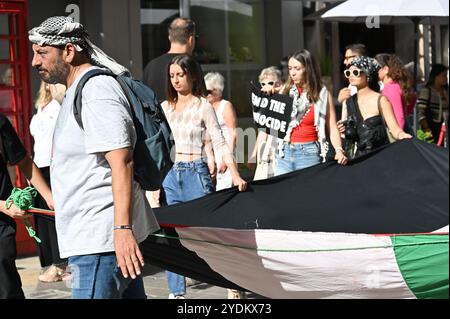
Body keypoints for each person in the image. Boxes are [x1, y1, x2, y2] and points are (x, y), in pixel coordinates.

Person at [29, 16, 159, 299]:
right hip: (98, 239)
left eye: (42, 53)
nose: (34, 62)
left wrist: (122, 230)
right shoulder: (77, 91)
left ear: (69, 51)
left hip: (100, 242)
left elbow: (121, 160)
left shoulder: (96, 90)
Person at [161, 54, 247, 299]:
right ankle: (176, 293)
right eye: (172, 76)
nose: (176, 80)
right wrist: (154, 183)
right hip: (170, 176)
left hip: (196, 174)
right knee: (172, 238)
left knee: (210, 237)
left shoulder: (203, 105)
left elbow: (220, 143)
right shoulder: (165, 107)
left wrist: (235, 174)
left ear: (192, 76)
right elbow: (157, 147)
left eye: (181, 75)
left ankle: (233, 282)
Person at [143, 17, 196, 208]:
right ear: (191, 39)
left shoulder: (151, 67)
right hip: (189, 150)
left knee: (164, 212)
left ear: (169, 37)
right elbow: (201, 106)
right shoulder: (190, 66)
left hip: (158, 146)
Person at [0, 113, 54, 299]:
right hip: (3, 209)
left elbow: (23, 161)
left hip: (1, 226)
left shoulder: (0, 122)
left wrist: (49, 197)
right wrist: (3, 206)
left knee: (8, 287)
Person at [270, 49, 347, 176]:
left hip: (309, 152)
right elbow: (271, 95)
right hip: (284, 151)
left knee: (306, 194)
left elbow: (332, 126)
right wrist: (268, 90)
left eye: (297, 68)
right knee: (283, 194)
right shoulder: (285, 90)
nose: (292, 73)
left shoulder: (322, 94)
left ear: (308, 69)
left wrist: (339, 150)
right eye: (290, 68)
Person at [30, 81, 69, 282]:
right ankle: (51, 263)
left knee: (55, 217)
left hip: (55, 166)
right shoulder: (40, 107)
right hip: (38, 166)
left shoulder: (60, 104)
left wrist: (60, 93)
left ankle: (62, 264)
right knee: (42, 220)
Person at [338, 56, 413, 158]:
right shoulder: (350, 101)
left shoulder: (381, 100)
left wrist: (402, 135)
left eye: (356, 72)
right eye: (348, 73)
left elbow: (395, 129)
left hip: (380, 156)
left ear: (368, 75)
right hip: (359, 157)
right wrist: (345, 128)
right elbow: (355, 135)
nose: (351, 76)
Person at [248, 66, 283, 180]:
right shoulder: (264, 103)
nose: (266, 87)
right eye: (263, 84)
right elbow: (263, 132)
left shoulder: (284, 98)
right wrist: (253, 156)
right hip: (268, 154)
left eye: (270, 83)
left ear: (278, 84)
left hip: (283, 152)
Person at [204, 72, 237, 191]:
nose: (205, 94)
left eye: (208, 91)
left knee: (225, 188)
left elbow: (232, 133)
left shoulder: (225, 106)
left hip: (225, 151)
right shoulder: (206, 107)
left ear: (217, 90)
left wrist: (226, 158)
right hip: (211, 153)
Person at [375, 53, 412, 130]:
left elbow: (399, 117)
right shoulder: (396, 85)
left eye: (375, 67)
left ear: (385, 69)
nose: (373, 70)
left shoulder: (390, 88)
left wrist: (398, 136)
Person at [417, 64, 449, 144]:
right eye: (444, 75)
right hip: (431, 128)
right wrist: (427, 129)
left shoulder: (446, 91)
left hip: (445, 128)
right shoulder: (427, 90)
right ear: (436, 76)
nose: (446, 78)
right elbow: (421, 112)